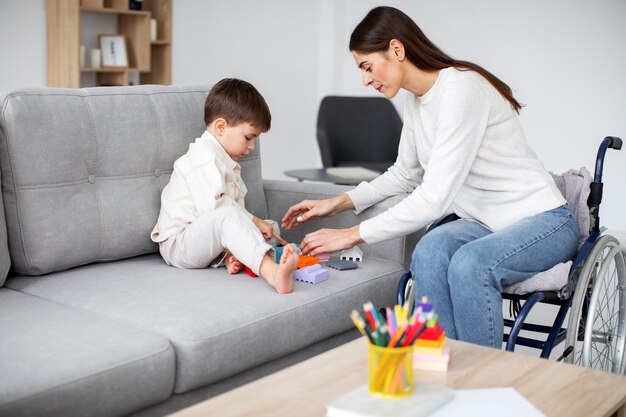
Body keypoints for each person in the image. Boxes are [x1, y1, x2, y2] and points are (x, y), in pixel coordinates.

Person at [282, 6, 578, 346]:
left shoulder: (460, 90)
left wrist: (352, 235)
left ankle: (481, 380)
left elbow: (433, 196)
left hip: (543, 222)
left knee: (470, 265)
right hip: (485, 222)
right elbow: (405, 174)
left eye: (367, 67)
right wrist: (337, 203)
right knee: (429, 253)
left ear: (396, 50)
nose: (365, 80)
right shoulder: (417, 101)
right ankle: (444, 368)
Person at [151, 78, 299, 294]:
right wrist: (253, 222)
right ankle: (272, 273)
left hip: (206, 236)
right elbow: (216, 211)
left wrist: (258, 225)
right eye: (249, 137)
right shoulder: (203, 158)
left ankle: (236, 256)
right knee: (236, 219)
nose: (252, 147)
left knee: (270, 228)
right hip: (179, 244)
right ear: (221, 127)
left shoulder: (226, 161)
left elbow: (229, 214)